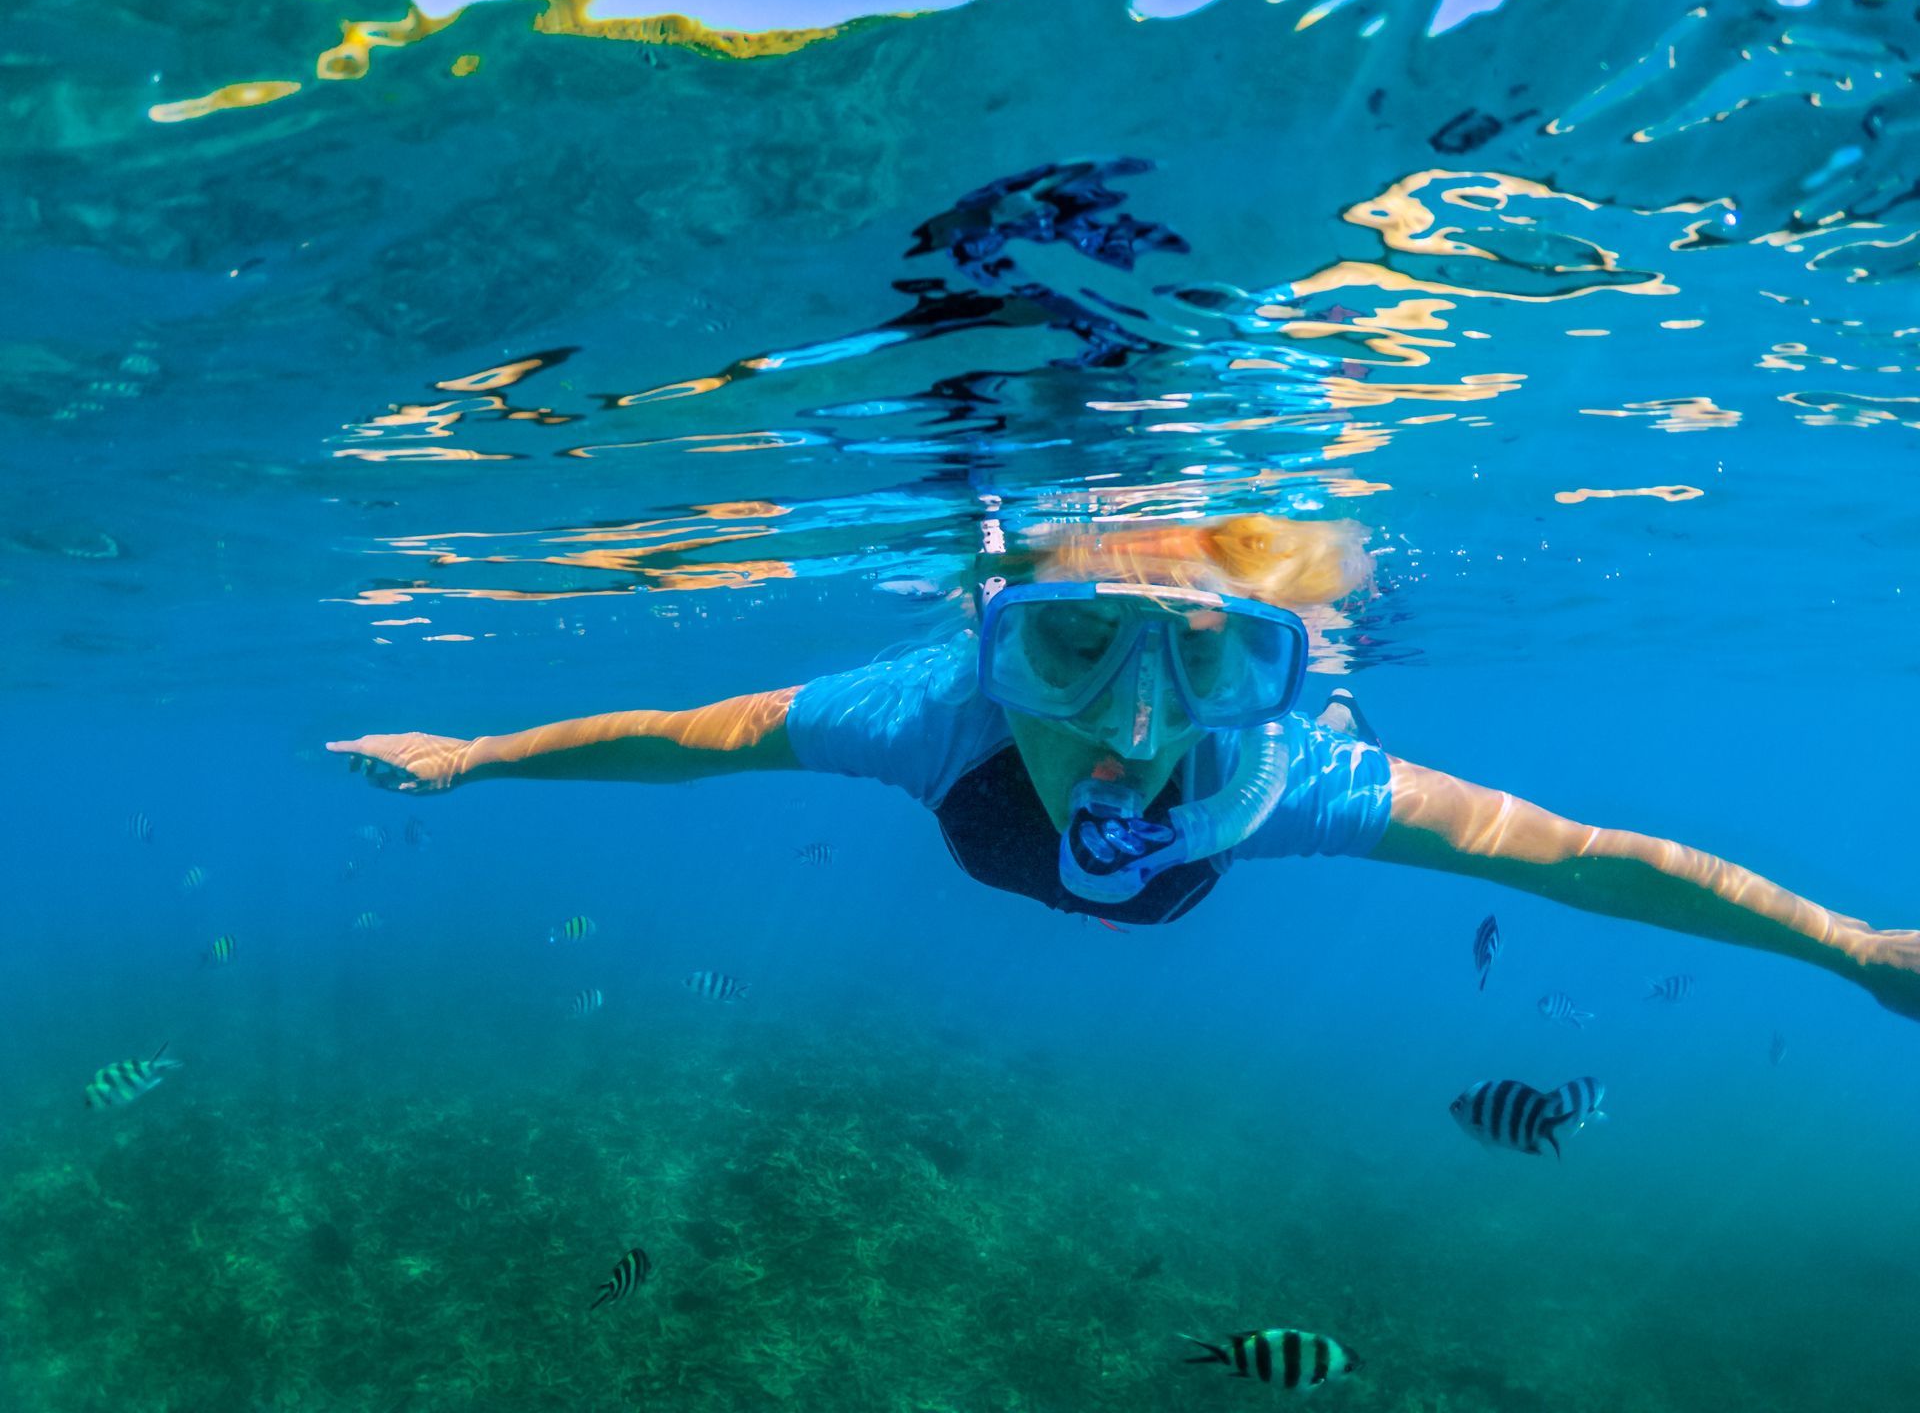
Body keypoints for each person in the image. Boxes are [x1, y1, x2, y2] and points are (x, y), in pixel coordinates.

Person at [328, 514, 1920, 1019]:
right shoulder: (931, 710)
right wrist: (473, 755)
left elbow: (1575, 855)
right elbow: (693, 740)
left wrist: (1851, 949)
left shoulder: (1286, 777)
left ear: (1272, 662)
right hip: (1014, 831)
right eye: (1072, 645)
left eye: (1219, 653)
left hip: (1197, 844)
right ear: (991, 634)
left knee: (1252, 768)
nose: (1136, 726)